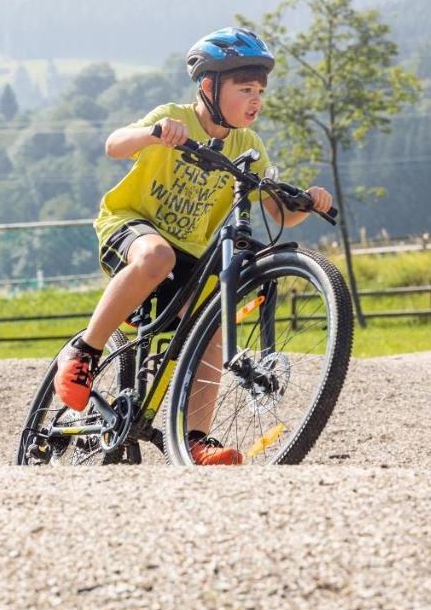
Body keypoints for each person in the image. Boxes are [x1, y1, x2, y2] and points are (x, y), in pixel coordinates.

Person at [53, 27, 333, 465]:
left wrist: (308, 203)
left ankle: (196, 437)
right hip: (131, 226)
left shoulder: (249, 147)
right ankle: (84, 352)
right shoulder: (174, 115)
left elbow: (279, 213)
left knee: (214, 326)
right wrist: (155, 133)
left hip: (187, 257)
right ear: (209, 86)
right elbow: (113, 145)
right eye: (245, 89)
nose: (255, 99)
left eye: (260, 90)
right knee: (156, 254)